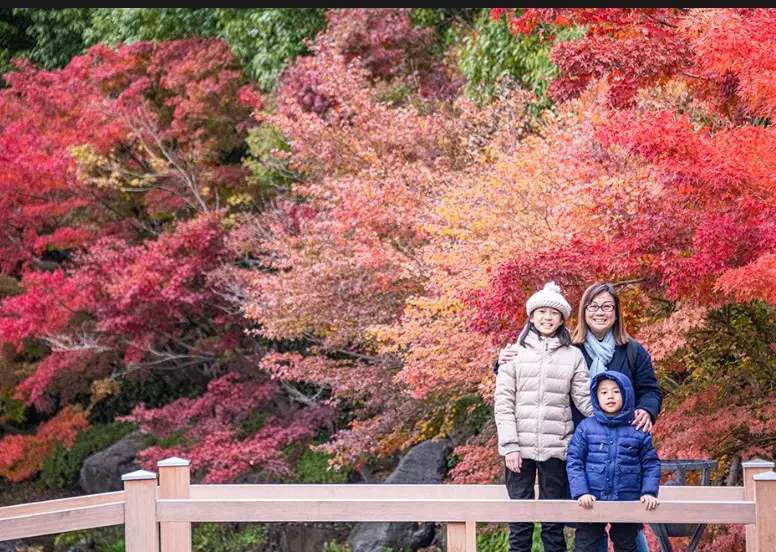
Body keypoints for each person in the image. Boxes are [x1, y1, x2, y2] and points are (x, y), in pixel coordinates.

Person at [496, 282, 663, 552]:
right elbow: (528, 376)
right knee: (586, 524)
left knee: (627, 527)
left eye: (607, 306)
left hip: (620, 448)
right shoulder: (571, 347)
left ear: (617, 312)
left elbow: (649, 390)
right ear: (583, 312)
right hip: (581, 448)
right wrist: (501, 363)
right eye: (593, 306)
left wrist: (643, 411)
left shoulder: (631, 351)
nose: (600, 312)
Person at [495, 282, 594, 552]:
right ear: (531, 316)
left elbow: (584, 400)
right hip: (519, 450)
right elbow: (503, 403)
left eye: (554, 313)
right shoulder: (513, 354)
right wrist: (510, 446)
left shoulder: (573, 356)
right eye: (542, 312)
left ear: (562, 319)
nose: (547, 317)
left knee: (553, 523)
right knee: (520, 522)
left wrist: (617, 416)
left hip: (557, 448)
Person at [567, 371, 661, 552]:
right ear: (596, 397)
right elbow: (574, 461)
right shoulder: (586, 427)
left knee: (626, 546)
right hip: (591, 501)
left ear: (626, 394)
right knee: (585, 546)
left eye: (616, 391)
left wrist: (649, 492)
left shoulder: (637, 429)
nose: (610, 396)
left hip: (627, 501)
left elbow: (651, 464)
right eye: (604, 392)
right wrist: (581, 492)